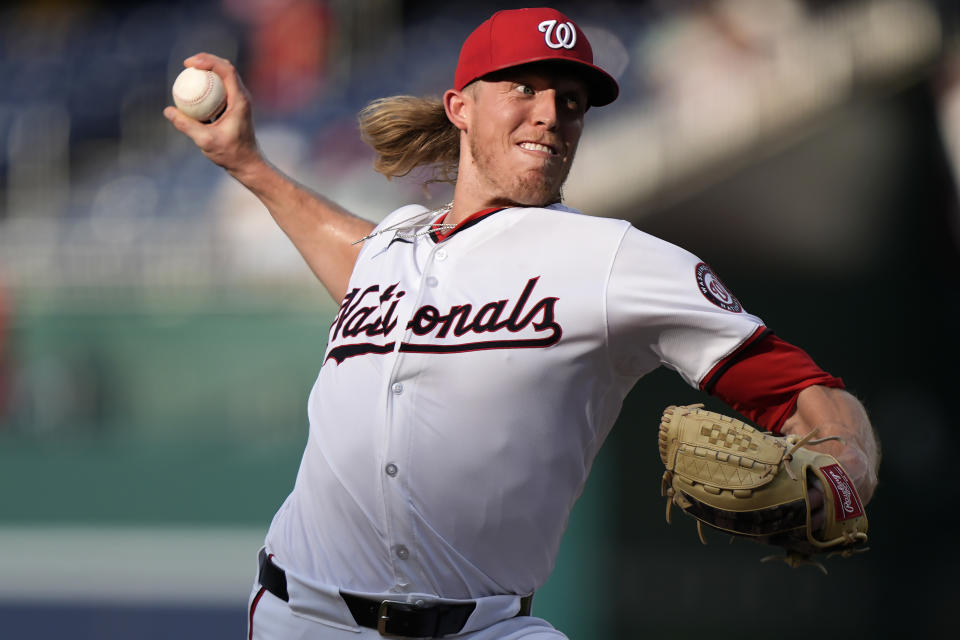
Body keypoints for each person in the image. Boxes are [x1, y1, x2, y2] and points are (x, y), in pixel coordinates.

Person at [165, 7, 880, 640]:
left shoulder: (615, 260)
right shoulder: (392, 247)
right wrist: (248, 164)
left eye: (570, 101)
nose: (550, 113)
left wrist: (845, 473)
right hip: (300, 619)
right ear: (460, 107)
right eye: (524, 87)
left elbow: (801, 391)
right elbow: (347, 254)